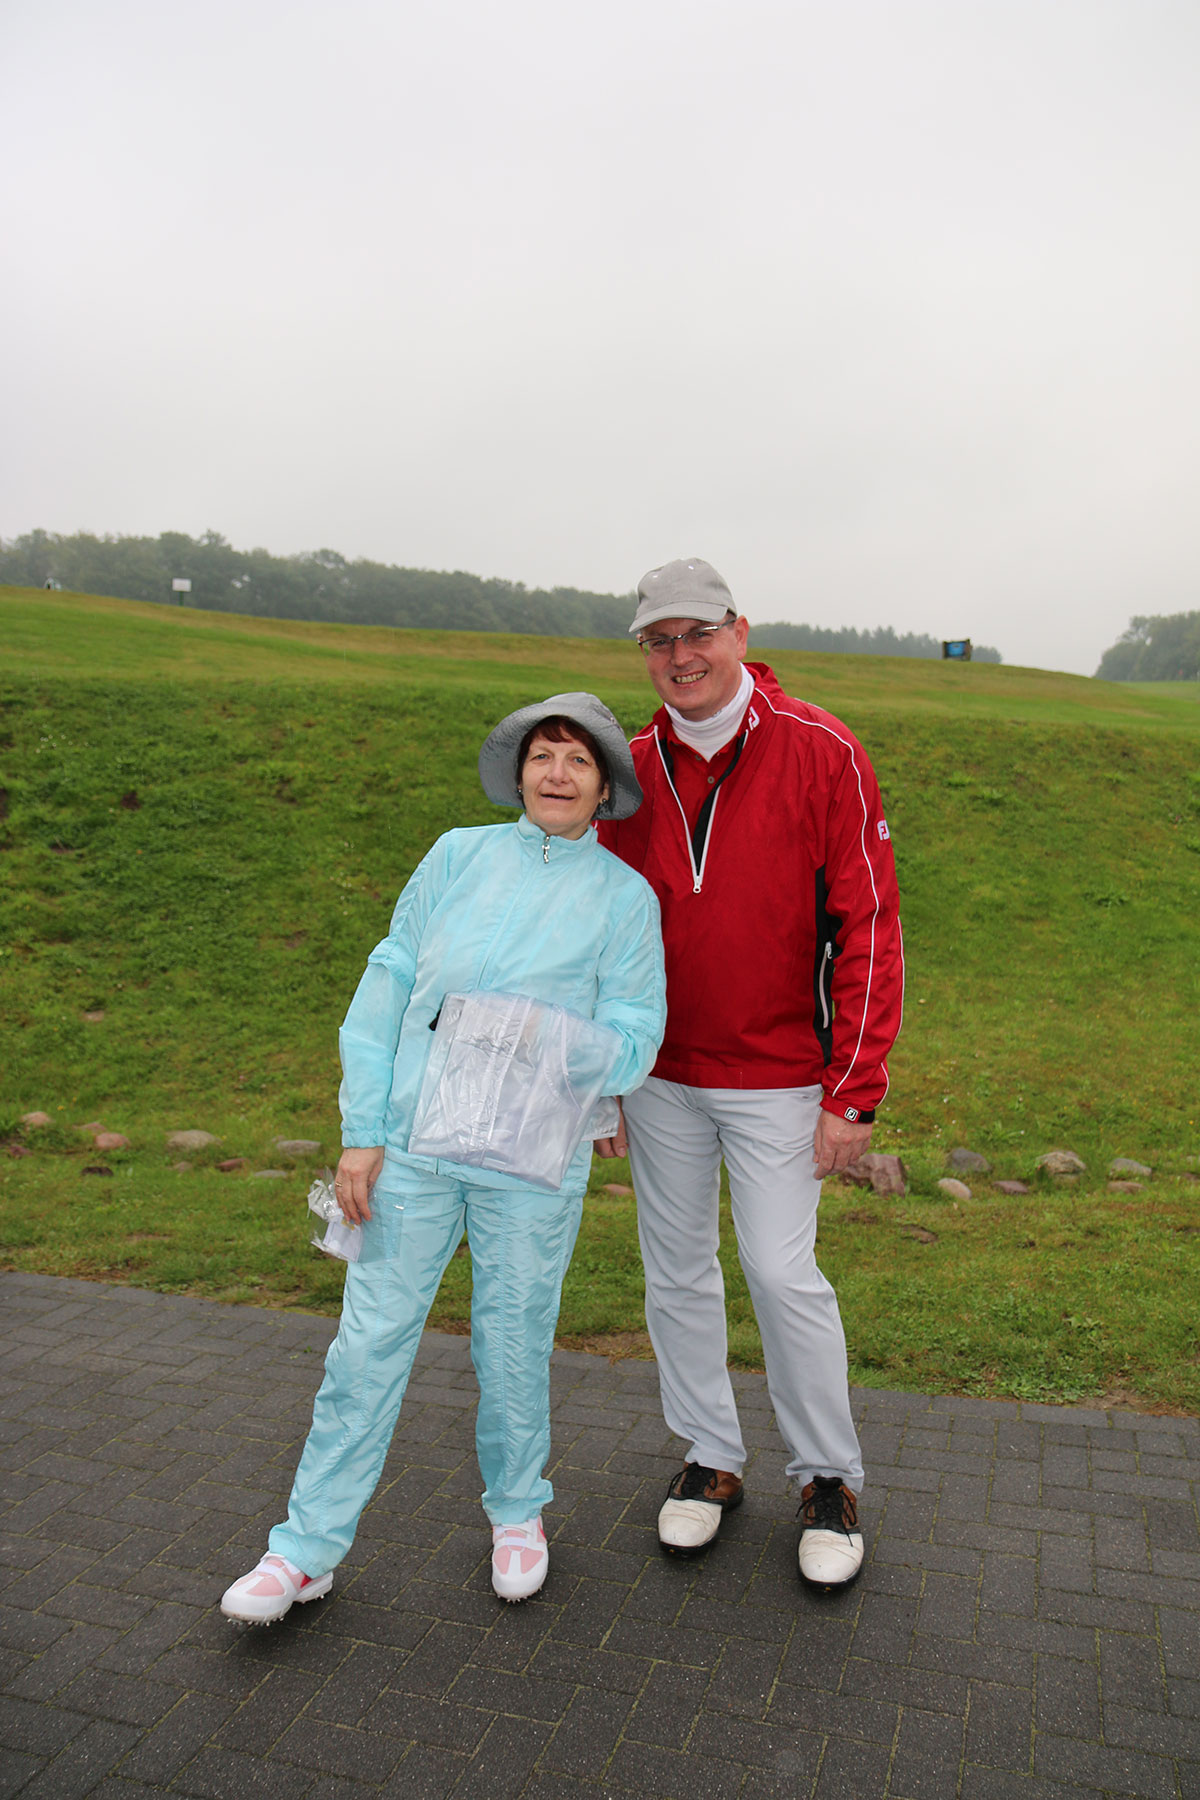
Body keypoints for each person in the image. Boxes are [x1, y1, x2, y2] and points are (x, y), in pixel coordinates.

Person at [222, 693, 665, 1622]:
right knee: (366, 1345)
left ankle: (518, 1514)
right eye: (542, 755)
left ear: (603, 789)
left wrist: (530, 1035)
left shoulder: (625, 899)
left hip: (530, 1165)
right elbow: (388, 984)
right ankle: (304, 1550)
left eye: (578, 761)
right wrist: (362, 1132)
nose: (556, 774)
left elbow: (634, 1041)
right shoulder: (456, 855)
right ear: (519, 773)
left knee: (515, 1341)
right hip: (413, 1149)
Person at [595, 559, 903, 1590]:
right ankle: (711, 1457)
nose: (680, 656)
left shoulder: (821, 749)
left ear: (739, 632)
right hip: (660, 1075)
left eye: (697, 634)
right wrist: (602, 1079)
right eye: (659, 640)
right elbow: (594, 932)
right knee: (676, 1270)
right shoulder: (629, 765)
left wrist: (854, 1089)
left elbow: (868, 924)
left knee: (779, 1272)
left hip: (778, 1073)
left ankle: (828, 1477)